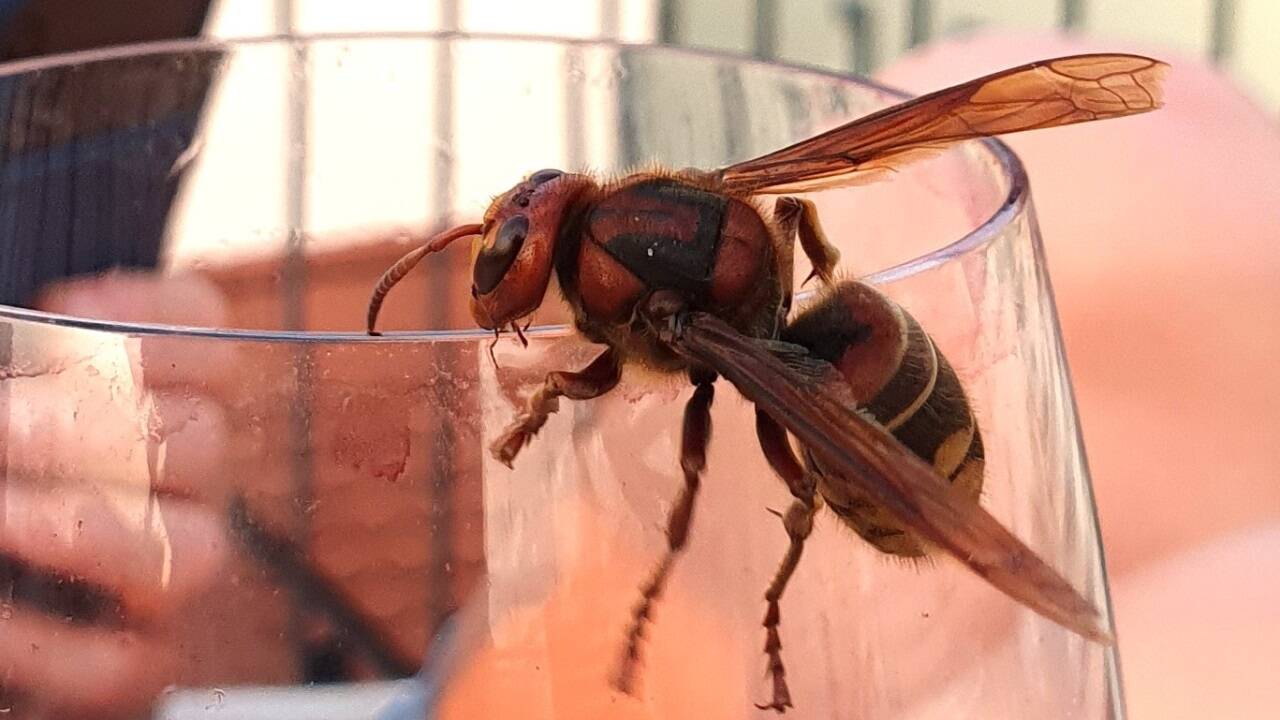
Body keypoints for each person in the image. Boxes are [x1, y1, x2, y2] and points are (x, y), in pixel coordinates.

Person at [5, 28, 1277, 720]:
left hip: (806, 384)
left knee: (1172, 164)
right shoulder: (689, 244)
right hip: (786, 379)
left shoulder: (674, 304)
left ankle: (752, 600)